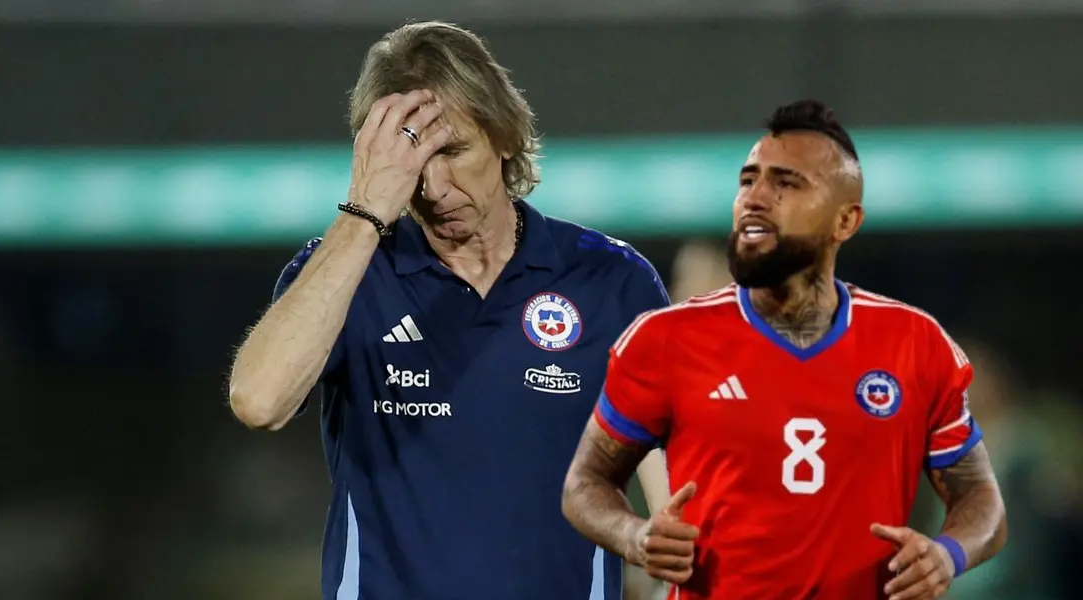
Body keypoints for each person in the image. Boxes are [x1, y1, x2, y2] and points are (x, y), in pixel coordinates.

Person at [228, 21, 670, 600]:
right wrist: (364, 212)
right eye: (412, 162)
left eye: (453, 151)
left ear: (506, 135)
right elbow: (258, 401)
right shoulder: (347, 275)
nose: (433, 187)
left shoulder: (611, 282)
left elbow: (675, 498)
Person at [560, 100, 1008, 600]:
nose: (754, 197)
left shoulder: (915, 345)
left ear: (845, 221)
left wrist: (948, 553)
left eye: (785, 184)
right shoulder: (663, 342)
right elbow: (585, 483)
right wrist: (635, 535)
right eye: (748, 180)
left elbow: (980, 497)